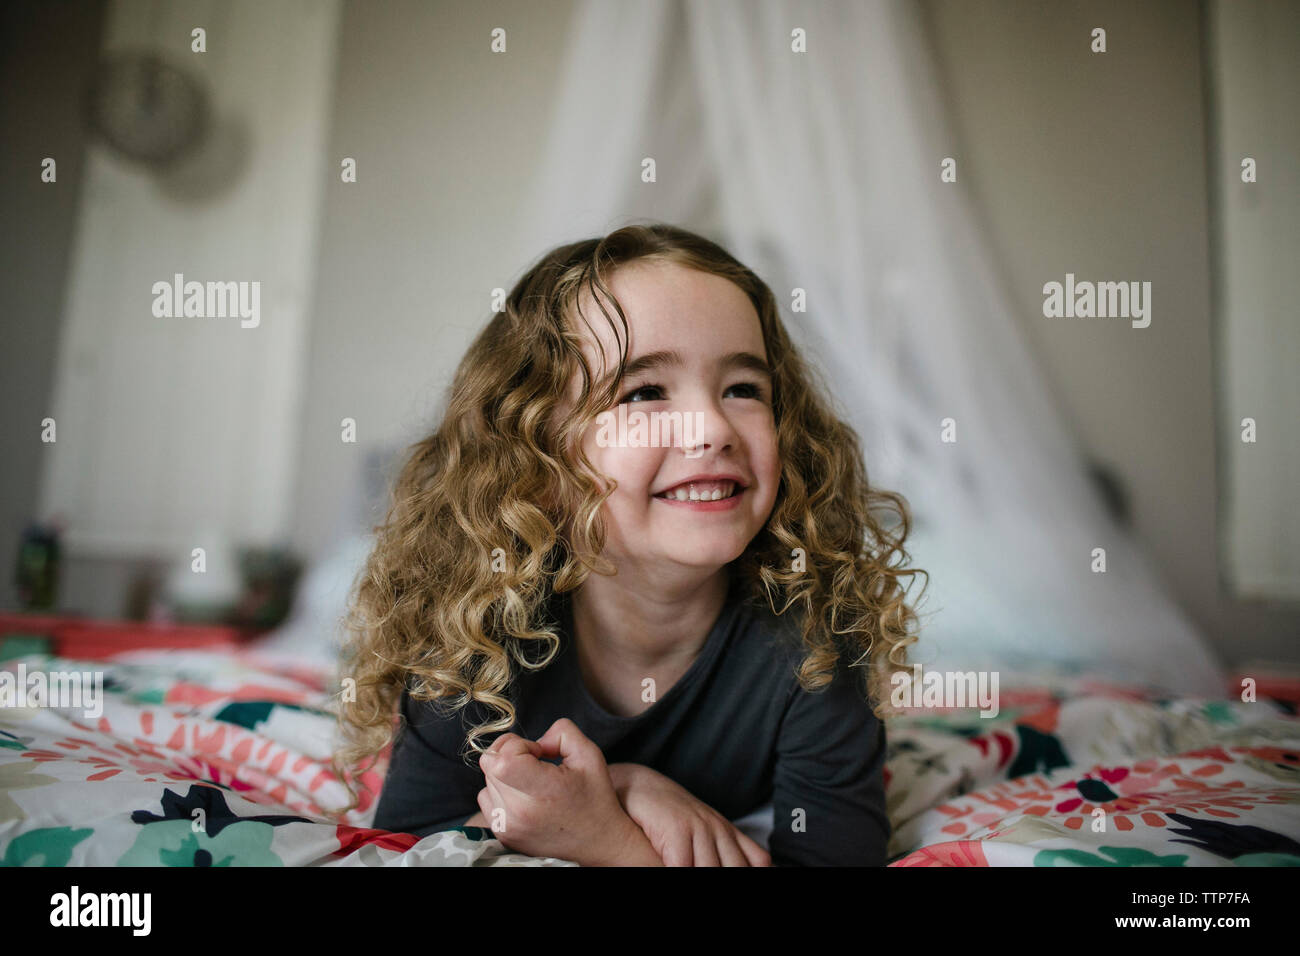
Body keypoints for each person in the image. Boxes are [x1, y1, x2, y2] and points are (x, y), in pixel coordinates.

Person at [331, 222, 927, 866]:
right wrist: (623, 796)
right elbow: (404, 850)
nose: (714, 428)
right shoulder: (473, 628)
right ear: (534, 461)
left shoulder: (816, 643)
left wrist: (612, 835)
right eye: (644, 392)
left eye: (743, 390)